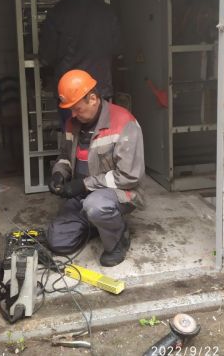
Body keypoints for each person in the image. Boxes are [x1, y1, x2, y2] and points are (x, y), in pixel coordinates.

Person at [46, 69, 148, 267]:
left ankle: (118, 239)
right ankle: (97, 223)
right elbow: (65, 156)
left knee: (96, 206)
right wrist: (59, 173)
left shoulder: (124, 123)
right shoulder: (72, 124)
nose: (73, 115)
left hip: (117, 193)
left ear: (92, 99)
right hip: (82, 196)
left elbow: (129, 176)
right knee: (58, 241)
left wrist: (84, 184)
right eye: (70, 110)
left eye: (77, 109)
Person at [38, 0, 121, 125]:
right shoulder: (106, 10)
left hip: (71, 93)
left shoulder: (57, 14)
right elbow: (117, 48)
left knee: (74, 136)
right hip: (100, 90)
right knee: (103, 134)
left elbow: (47, 56)